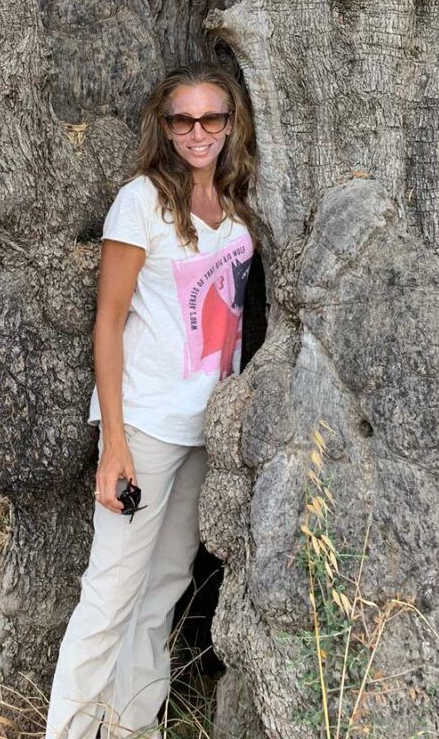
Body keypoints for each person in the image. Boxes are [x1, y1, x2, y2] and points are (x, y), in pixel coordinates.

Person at [44, 62, 259, 739]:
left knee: (163, 590)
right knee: (110, 595)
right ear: (164, 128)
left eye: (212, 118)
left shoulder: (237, 202)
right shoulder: (140, 202)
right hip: (146, 424)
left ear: (231, 124)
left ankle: (132, 727)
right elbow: (108, 321)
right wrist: (115, 443)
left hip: (206, 429)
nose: (199, 132)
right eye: (183, 120)